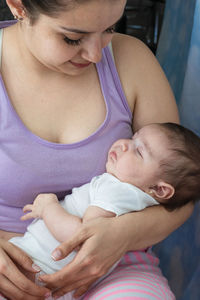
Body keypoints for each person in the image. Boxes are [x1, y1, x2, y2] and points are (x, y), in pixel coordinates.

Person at [0, 0, 193, 299]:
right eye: (72, 38)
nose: (95, 54)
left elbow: (179, 196)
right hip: (11, 266)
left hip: (113, 268)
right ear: (18, 6)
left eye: (109, 29)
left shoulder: (133, 61)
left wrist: (122, 234)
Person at [9, 122, 200, 294]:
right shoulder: (139, 201)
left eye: (139, 151)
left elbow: (82, 240)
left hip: (35, 267)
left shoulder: (117, 190)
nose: (124, 144)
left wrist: (48, 208)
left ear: (160, 189)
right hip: (49, 276)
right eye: (133, 138)